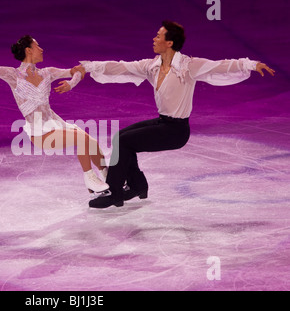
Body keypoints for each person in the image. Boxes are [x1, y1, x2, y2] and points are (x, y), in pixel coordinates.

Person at [72, 20, 275, 209]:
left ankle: (115, 192)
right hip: (163, 123)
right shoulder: (152, 66)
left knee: (125, 142)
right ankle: (137, 185)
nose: (154, 39)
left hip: (176, 131)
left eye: (158, 36)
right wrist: (90, 67)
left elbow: (219, 65)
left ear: (169, 42)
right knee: (121, 138)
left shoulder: (187, 66)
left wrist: (250, 64)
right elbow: (122, 66)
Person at [0, 35, 109, 195]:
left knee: (91, 141)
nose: (42, 49)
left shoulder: (47, 73)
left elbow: (77, 71)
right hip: (40, 132)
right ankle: (90, 179)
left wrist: (71, 84)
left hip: (55, 123)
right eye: (37, 45)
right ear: (28, 50)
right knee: (81, 139)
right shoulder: (13, 75)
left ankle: (108, 175)